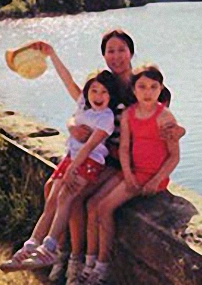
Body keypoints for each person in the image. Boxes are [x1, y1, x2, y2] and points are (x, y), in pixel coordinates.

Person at [34, 29, 185, 284]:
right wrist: (71, 124)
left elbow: (161, 129)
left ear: (131, 52)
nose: (116, 56)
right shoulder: (105, 85)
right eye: (110, 51)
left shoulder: (146, 86)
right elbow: (80, 103)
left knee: (76, 195)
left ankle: (78, 261)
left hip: (118, 163)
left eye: (121, 50)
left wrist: (179, 131)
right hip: (98, 155)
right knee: (52, 188)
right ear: (104, 55)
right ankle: (62, 253)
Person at [0, 56, 120, 273]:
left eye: (104, 92)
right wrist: (51, 54)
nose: (98, 96)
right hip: (70, 159)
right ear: (87, 92)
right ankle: (29, 247)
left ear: (110, 96)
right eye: (94, 90)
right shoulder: (83, 106)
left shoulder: (106, 117)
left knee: (66, 196)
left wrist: (73, 169)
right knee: (52, 200)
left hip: (89, 161)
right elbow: (66, 79)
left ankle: (50, 247)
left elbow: (90, 145)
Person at [79, 64, 181, 285]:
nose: (148, 92)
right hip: (132, 172)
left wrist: (155, 180)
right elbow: (124, 148)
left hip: (151, 176)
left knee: (105, 207)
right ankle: (89, 261)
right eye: (142, 87)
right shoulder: (128, 114)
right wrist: (127, 173)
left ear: (160, 89)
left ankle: (103, 267)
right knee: (92, 205)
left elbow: (174, 156)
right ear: (134, 90)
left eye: (153, 87)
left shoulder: (164, 116)